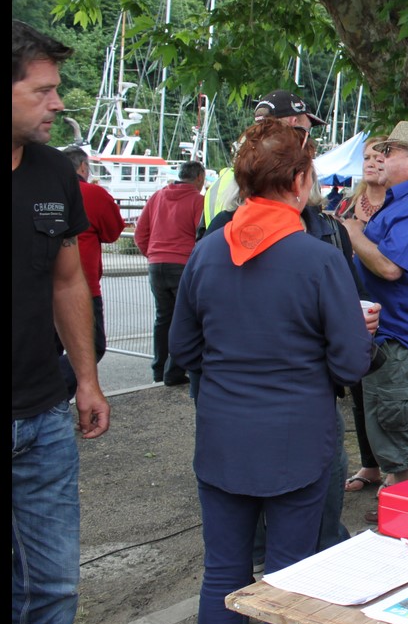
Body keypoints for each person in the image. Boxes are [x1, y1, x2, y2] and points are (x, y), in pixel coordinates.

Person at [169, 119, 371, 624]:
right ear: (303, 182)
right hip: (297, 437)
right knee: (289, 579)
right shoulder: (320, 258)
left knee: (223, 574)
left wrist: (222, 386)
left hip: (222, 434)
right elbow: (353, 359)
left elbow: (183, 347)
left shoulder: (207, 253)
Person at [12, 19, 112, 624]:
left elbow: (69, 279)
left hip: (45, 414)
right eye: (44, 91)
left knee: (53, 584)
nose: (59, 103)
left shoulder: (54, 172)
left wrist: (86, 379)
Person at [339, 121, 408, 522]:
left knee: (400, 437)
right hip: (396, 336)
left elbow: (389, 268)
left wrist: (353, 234)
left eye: (391, 151)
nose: (381, 157)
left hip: (402, 340)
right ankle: (405, 505)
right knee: (392, 434)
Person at [335, 134, 391, 493]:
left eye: (380, 157)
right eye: (367, 157)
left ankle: (395, 468)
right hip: (350, 299)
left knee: (387, 390)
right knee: (357, 388)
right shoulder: (346, 203)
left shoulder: (398, 204)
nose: (371, 162)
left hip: (387, 304)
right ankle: (370, 465)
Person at [198, 89, 326, 239]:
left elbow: (202, 241)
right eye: (307, 131)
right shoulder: (301, 173)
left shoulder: (224, 180)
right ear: (294, 122)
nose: (308, 140)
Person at [56, 145, 125, 399]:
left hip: (40, 287)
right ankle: (52, 393)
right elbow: (113, 232)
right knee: (91, 347)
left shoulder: (44, 191)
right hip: (82, 286)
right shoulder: (93, 194)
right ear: (83, 167)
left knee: (46, 348)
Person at [135, 159, 205, 386]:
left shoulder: (157, 196)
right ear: (199, 178)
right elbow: (201, 236)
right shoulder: (197, 201)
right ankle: (173, 371)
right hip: (182, 264)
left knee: (162, 318)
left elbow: (140, 232)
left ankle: (158, 368)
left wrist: (152, 254)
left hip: (156, 264)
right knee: (183, 318)